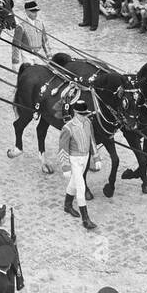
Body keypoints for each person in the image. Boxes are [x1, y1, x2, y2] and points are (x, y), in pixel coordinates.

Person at [59, 98, 97, 230]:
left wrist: (96, 157)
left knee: (74, 183)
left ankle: (67, 205)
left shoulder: (88, 123)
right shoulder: (67, 128)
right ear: (75, 113)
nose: (84, 117)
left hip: (85, 157)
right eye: (81, 114)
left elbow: (92, 140)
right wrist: (66, 167)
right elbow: (62, 149)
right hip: (74, 159)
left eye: (85, 114)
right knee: (81, 187)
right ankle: (85, 219)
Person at [11, 0, 49, 65]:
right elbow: (16, 44)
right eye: (33, 12)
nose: (35, 14)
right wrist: (15, 60)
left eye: (36, 12)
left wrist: (49, 54)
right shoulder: (21, 26)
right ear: (27, 12)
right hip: (27, 55)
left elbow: (44, 40)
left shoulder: (40, 23)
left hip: (39, 53)